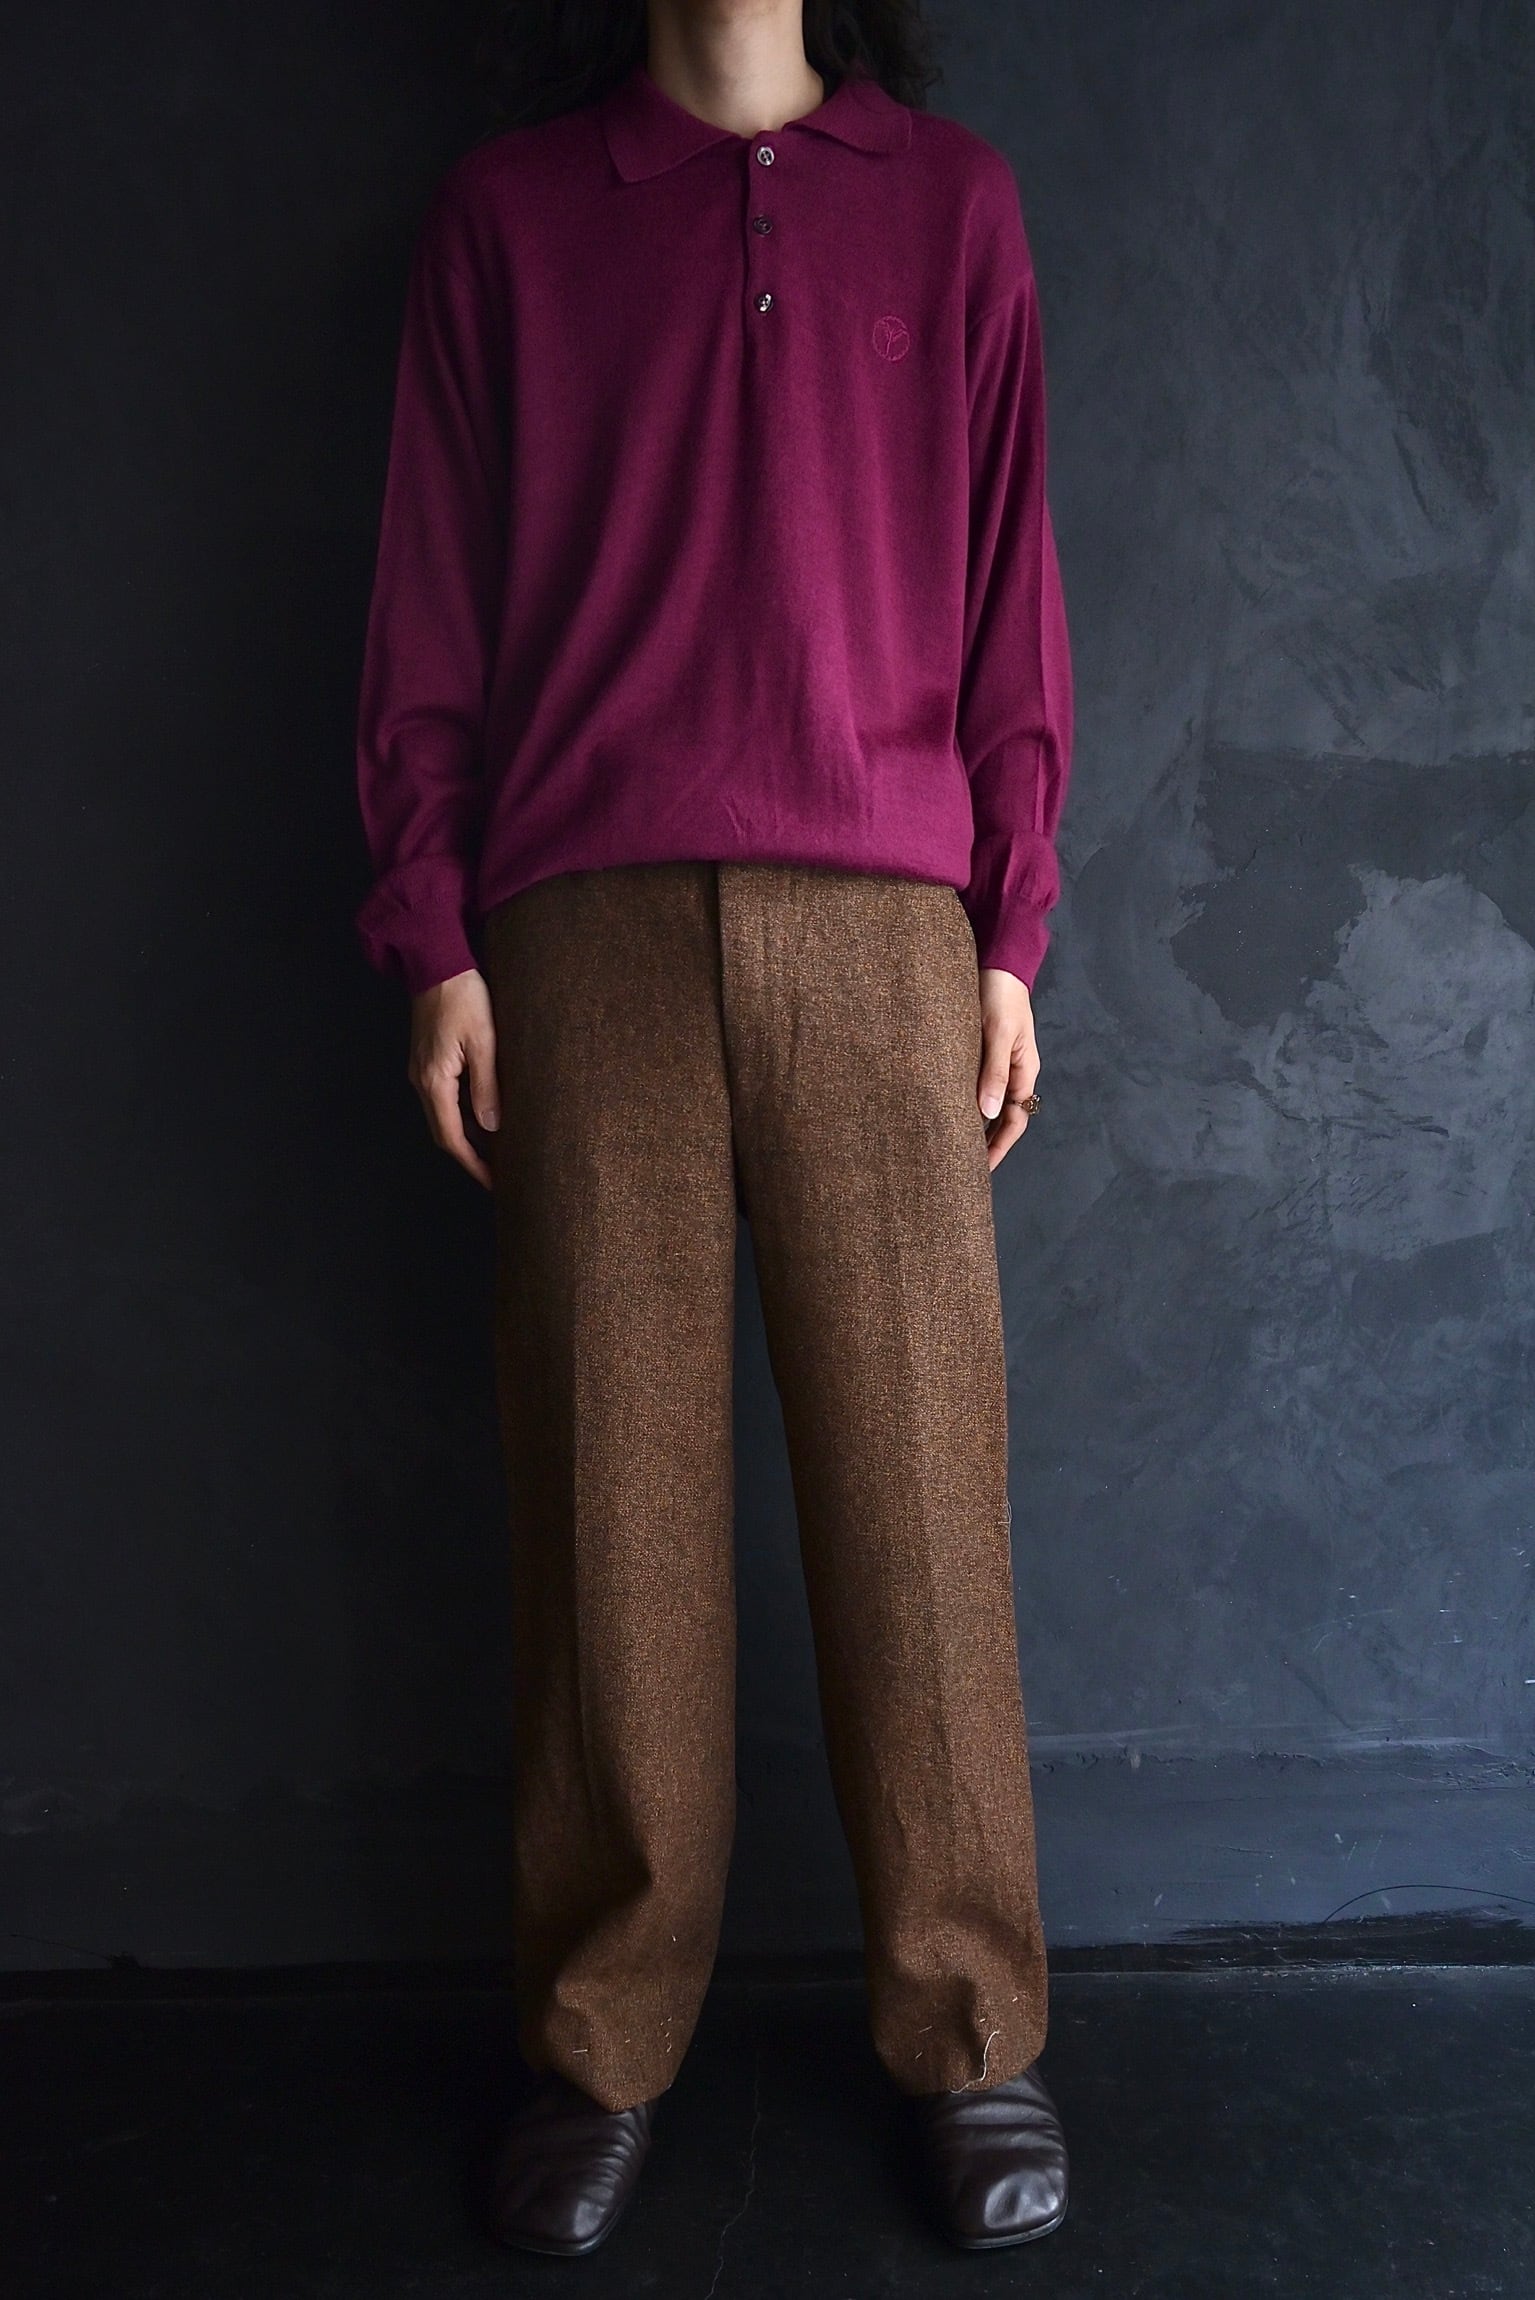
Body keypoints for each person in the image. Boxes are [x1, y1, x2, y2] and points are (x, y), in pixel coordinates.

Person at [353, 0, 1073, 2259]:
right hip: (584, 926)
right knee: (610, 1488)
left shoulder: (949, 206)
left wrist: (1012, 928)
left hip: (883, 915)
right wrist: (433, 927)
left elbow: (1012, 589)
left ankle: (972, 2029)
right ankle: (600, 2040)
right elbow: (428, 595)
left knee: (919, 1483)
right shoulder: (508, 217)